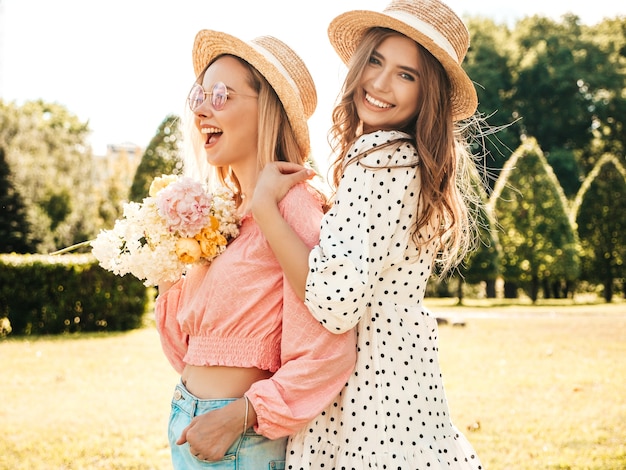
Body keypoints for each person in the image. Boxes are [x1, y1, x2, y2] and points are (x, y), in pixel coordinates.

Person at [250, 0, 485, 468]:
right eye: (375, 61)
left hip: (369, 383)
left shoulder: (381, 156)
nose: (378, 83)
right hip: (405, 371)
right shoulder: (409, 158)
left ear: (428, 94)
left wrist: (265, 209)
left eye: (406, 74)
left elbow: (334, 304)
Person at [154, 30, 356, 469]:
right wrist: (163, 262)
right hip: (190, 423)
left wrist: (240, 415)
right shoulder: (222, 215)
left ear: (267, 110)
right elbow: (189, 348)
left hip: (238, 440)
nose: (202, 109)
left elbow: (329, 346)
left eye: (221, 95)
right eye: (199, 95)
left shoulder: (293, 206)